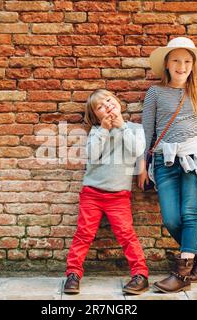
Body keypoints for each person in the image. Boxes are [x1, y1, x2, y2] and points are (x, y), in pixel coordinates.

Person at [138, 37, 197, 293]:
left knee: (189, 213)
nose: (181, 66)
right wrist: (142, 165)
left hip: (195, 159)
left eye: (186, 61)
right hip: (164, 160)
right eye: (176, 60)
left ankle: (182, 273)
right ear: (167, 64)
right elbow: (146, 132)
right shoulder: (155, 93)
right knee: (172, 218)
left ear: (193, 65)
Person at [64, 89, 149, 295]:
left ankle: (141, 275)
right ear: (96, 115)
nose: (107, 106)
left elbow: (137, 150)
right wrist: (104, 129)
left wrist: (121, 128)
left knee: (126, 235)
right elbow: (92, 155)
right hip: (92, 193)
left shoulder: (135, 128)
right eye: (100, 107)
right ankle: (73, 274)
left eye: (109, 100)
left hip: (118, 196)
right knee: (84, 234)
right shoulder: (96, 130)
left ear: (118, 101)